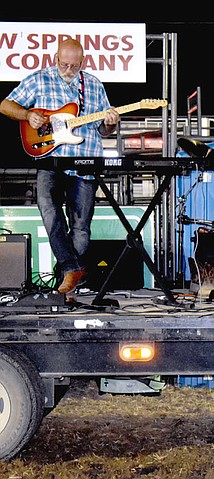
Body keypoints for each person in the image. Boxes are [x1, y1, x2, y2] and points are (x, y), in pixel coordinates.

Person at [0, 38, 120, 300]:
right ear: (55, 59)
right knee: (48, 209)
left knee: (81, 228)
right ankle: (72, 269)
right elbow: (5, 105)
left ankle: (68, 278)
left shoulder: (94, 85)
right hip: (50, 160)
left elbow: (103, 129)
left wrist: (110, 124)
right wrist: (26, 115)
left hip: (85, 163)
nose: (68, 69)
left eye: (74, 66)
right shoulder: (39, 79)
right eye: (63, 64)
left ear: (83, 62)